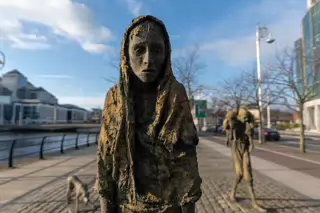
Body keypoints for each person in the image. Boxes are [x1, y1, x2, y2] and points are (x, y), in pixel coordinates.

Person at [96, 15, 202, 213]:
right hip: (125, 205)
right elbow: (106, 161)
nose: (148, 60)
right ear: (126, 55)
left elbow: (187, 162)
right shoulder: (114, 98)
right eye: (139, 50)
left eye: (156, 50)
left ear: (166, 54)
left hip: (169, 207)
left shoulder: (175, 95)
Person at [228, 107, 266, 212]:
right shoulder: (235, 122)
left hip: (245, 148)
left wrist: (251, 144)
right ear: (239, 115)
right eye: (243, 117)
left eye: (246, 117)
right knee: (239, 174)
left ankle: (253, 202)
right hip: (236, 148)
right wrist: (231, 116)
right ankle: (232, 194)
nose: (244, 119)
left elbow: (250, 137)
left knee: (248, 175)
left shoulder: (248, 123)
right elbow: (230, 123)